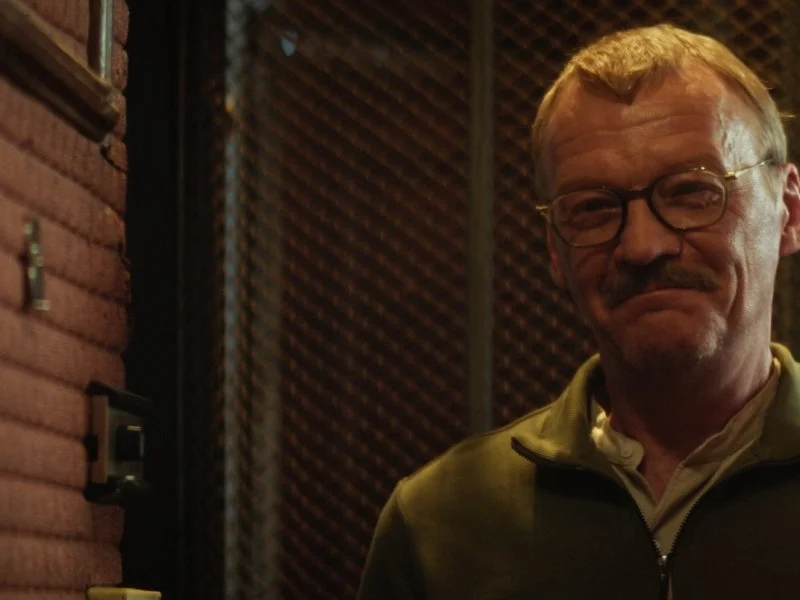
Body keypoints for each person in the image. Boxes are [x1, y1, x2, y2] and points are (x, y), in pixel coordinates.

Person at [358, 23, 800, 600]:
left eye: (692, 191)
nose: (642, 246)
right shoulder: (442, 522)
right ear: (554, 251)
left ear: (788, 211)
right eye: (593, 208)